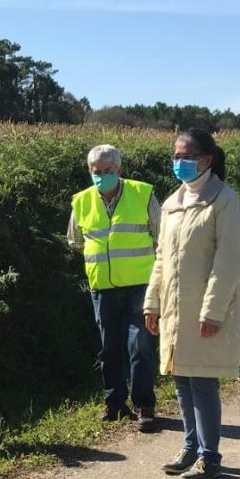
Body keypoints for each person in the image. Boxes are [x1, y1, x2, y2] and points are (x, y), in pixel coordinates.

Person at [144, 129, 240, 479]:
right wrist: (151, 303)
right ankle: (190, 446)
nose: (178, 162)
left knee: (202, 383)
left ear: (206, 158)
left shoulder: (224, 200)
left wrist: (212, 311)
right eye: (175, 155)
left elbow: (228, 262)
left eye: (185, 156)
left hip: (204, 310)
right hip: (174, 308)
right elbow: (161, 260)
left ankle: (210, 457)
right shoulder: (173, 203)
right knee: (182, 380)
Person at [67, 144, 161, 430]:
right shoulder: (81, 201)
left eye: (108, 171)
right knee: (108, 348)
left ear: (119, 170)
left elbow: (161, 235)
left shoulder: (142, 193)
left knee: (140, 345)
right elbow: (75, 240)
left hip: (140, 286)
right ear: (90, 172)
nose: (102, 176)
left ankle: (144, 404)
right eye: (97, 172)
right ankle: (114, 403)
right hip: (103, 288)